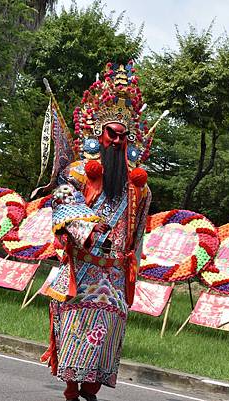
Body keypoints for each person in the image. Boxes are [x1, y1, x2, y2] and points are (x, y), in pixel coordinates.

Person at [39, 62, 156, 401]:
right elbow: (61, 201)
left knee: (108, 329)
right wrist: (85, 230)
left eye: (123, 136)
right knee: (75, 326)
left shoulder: (140, 188)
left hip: (115, 272)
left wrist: (133, 259)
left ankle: (92, 388)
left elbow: (138, 233)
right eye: (111, 135)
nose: (117, 141)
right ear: (99, 134)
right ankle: (72, 387)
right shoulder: (77, 172)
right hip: (83, 264)